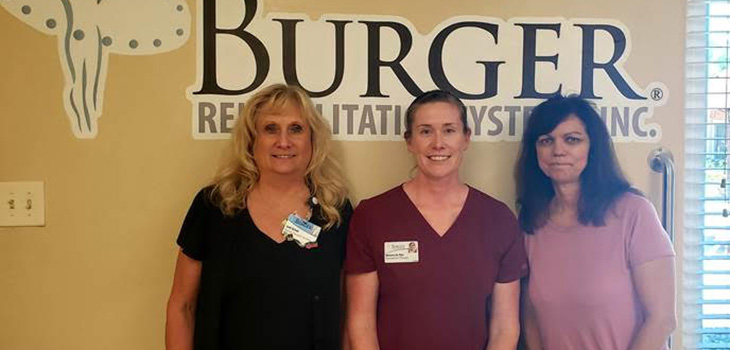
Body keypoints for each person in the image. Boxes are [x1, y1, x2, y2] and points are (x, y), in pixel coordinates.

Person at [165, 84, 352, 350]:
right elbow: (181, 306)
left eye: (296, 129)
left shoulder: (335, 213)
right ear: (252, 139)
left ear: (313, 140)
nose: (283, 141)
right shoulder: (215, 206)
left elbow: (350, 313)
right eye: (270, 128)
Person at [346, 90, 528, 350]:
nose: (438, 143)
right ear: (409, 141)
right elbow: (361, 323)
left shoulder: (498, 220)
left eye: (449, 130)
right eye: (425, 131)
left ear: (466, 138)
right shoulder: (372, 216)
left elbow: (505, 327)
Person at [515, 95, 676, 350]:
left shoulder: (634, 213)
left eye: (572, 139)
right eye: (546, 140)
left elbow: (662, 320)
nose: (558, 150)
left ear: (593, 148)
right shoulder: (531, 224)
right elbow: (531, 318)